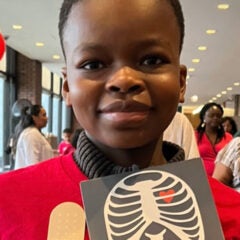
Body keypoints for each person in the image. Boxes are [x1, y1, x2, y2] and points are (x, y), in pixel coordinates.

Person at [0, 0, 239, 239]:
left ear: (180, 82)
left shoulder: (232, 214)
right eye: (93, 64)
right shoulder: (7, 205)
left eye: (151, 60)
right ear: (67, 87)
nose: (123, 80)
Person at [195, 102, 232, 176]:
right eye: (211, 115)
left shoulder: (228, 137)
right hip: (200, 177)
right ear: (203, 117)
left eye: (218, 116)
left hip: (223, 178)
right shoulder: (195, 136)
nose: (215, 118)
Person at [14, 104, 54, 169]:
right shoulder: (31, 134)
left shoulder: (34, 133)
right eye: (44, 115)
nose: (47, 118)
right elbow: (32, 164)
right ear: (34, 117)